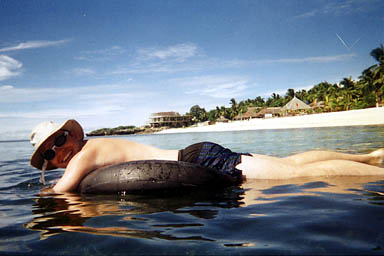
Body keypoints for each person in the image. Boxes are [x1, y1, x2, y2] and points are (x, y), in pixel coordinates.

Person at [30, 119, 384, 193]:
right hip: (200, 154)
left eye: (59, 140)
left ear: (72, 135)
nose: (58, 151)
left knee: (301, 178)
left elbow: (62, 193)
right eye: (49, 152)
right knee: (292, 163)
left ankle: (377, 170)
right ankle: (371, 156)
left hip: (199, 160)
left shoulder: (83, 155)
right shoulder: (88, 151)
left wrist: (42, 196)